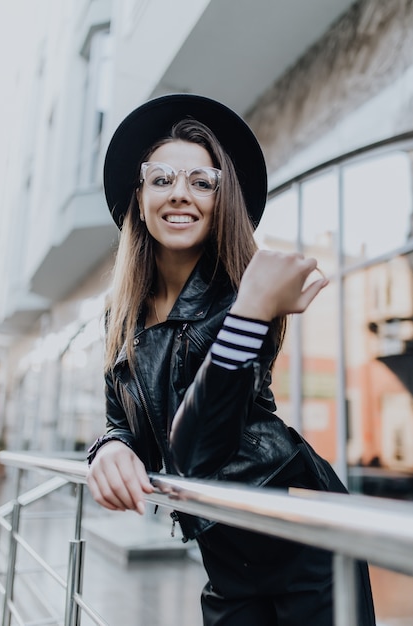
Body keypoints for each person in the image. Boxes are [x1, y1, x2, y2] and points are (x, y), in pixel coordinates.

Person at [87, 93, 376, 625]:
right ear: (139, 196)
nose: (181, 194)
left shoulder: (244, 295)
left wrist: (252, 312)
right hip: (225, 555)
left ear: (222, 202)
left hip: (303, 533)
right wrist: (107, 448)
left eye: (202, 182)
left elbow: (198, 450)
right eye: (162, 178)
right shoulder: (121, 315)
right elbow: (122, 419)